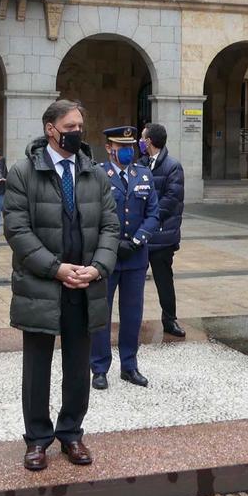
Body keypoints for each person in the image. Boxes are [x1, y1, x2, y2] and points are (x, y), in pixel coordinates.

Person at [4, 99, 118, 471]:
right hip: (43, 285)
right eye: (70, 126)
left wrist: (97, 267)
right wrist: (55, 269)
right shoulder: (23, 172)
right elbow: (17, 231)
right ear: (50, 129)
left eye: (80, 126)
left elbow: (110, 227)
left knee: (77, 365)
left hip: (84, 287)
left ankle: (71, 433)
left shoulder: (94, 173)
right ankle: (37, 439)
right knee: (37, 367)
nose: (77, 133)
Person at [92, 125, 161, 390]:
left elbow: (153, 213)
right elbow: (92, 215)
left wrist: (136, 240)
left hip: (135, 256)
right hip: (107, 256)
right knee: (102, 313)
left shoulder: (142, 174)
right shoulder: (98, 175)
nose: (126, 152)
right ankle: (99, 367)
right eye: (121, 147)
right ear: (109, 148)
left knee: (132, 314)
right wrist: (112, 243)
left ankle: (129, 366)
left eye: (130, 147)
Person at [139, 122, 186, 338]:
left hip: (162, 235)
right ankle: (133, 318)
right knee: (135, 281)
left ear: (149, 141)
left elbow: (172, 199)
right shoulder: (140, 164)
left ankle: (170, 319)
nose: (140, 142)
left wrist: (151, 218)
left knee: (164, 280)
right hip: (141, 236)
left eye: (142, 138)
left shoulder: (172, 166)